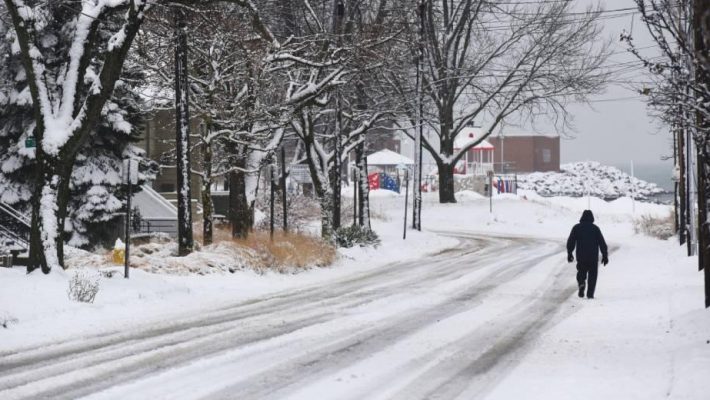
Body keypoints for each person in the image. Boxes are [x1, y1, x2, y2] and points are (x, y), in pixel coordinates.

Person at [567, 210, 608, 299]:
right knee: (593, 275)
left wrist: (570, 252)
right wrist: (605, 255)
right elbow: (602, 242)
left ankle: (581, 283)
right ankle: (590, 294)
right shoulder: (595, 229)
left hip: (581, 256)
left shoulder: (576, 228)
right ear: (592, 218)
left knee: (581, 272)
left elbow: (571, 241)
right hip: (593, 257)